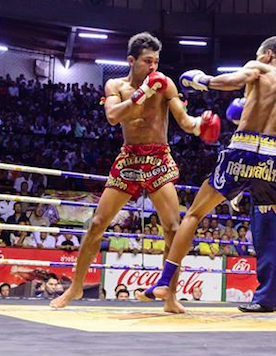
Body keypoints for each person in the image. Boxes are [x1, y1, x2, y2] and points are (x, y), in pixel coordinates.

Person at [139, 36, 276, 323]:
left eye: (259, 53)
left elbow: (234, 80)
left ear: (269, 54)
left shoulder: (258, 68)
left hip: (242, 150)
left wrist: (202, 80)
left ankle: (164, 281)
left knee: (194, 215)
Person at [51, 33, 220, 314]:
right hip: (129, 158)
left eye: (156, 61)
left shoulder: (164, 83)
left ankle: (170, 296)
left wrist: (201, 126)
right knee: (97, 224)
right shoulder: (115, 85)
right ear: (131, 61)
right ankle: (76, 286)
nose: (153, 67)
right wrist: (143, 94)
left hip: (158, 158)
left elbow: (184, 120)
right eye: (147, 61)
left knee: (173, 229)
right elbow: (113, 116)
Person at [238, 205, 276, 313]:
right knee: (265, 247)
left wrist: (267, 193)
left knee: (266, 245)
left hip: (267, 196)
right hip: (259, 194)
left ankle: (264, 299)